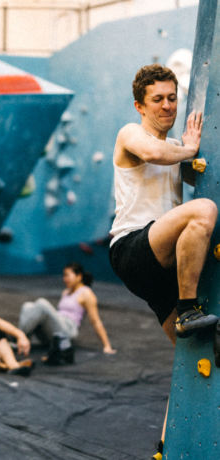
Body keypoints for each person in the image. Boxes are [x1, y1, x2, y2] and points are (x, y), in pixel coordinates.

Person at [108, 63, 219, 459]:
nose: (168, 106)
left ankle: (166, 448)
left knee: (195, 358)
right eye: (158, 99)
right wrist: (190, 148)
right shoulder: (133, 134)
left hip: (160, 266)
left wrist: (192, 156)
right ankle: (187, 308)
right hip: (133, 248)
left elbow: (197, 171)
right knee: (203, 210)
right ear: (140, 105)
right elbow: (156, 152)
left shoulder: (173, 149)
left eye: (173, 98)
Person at [19, 262, 116, 362]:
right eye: (63, 276)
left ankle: (18, 337)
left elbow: (95, 321)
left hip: (67, 330)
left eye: (67, 275)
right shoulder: (66, 292)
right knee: (27, 305)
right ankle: (22, 338)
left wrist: (107, 345)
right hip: (55, 328)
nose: (64, 279)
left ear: (79, 276)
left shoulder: (87, 294)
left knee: (42, 303)